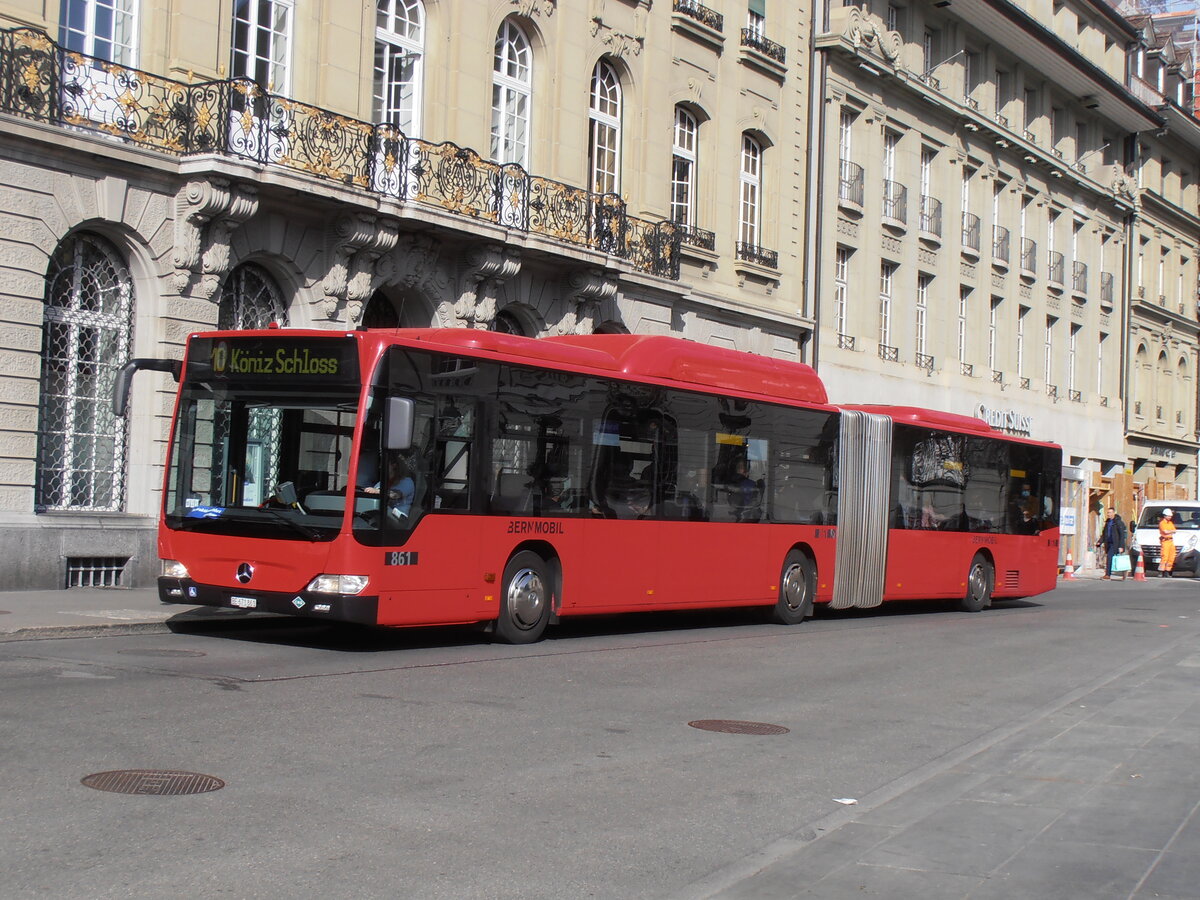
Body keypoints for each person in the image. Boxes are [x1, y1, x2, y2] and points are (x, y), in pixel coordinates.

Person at [363, 453, 414, 519]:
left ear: (394, 465)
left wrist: (377, 491)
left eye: (383, 464)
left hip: (399, 518)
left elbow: (395, 495)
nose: (380, 467)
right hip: (385, 516)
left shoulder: (407, 481)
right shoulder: (382, 482)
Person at [1096, 507, 1128, 581]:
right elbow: (1104, 534)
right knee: (1115, 559)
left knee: (1110, 557)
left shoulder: (1118, 522)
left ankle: (1107, 575)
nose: (1108, 514)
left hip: (1116, 544)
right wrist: (1100, 542)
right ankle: (1124, 572)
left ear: (1114, 513)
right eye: (1108, 513)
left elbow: (1122, 535)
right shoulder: (1107, 522)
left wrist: (1121, 546)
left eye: (1110, 512)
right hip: (1109, 543)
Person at [1159, 508, 1177, 577]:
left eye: (1170, 516)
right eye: (1169, 516)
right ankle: (1161, 571)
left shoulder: (1170, 523)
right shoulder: (1162, 523)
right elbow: (1165, 531)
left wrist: (1170, 531)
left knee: (1171, 557)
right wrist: (1171, 531)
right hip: (1165, 541)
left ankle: (1167, 571)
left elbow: (1174, 531)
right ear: (1165, 516)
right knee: (1165, 556)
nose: (1170, 517)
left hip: (1170, 541)